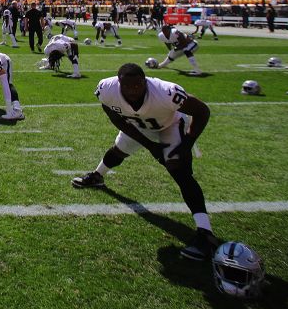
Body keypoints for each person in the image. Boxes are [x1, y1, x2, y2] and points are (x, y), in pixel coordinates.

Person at [70, 63, 219, 261]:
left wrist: (187, 143)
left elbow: (202, 111)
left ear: (145, 82)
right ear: (119, 83)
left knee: (179, 170)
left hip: (170, 124)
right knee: (118, 151)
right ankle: (98, 176)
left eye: (138, 85)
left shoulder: (166, 92)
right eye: (127, 86)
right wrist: (150, 145)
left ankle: (205, 233)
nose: (133, 90)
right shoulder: (107, 89)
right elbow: (115, 117)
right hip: (138, 125)